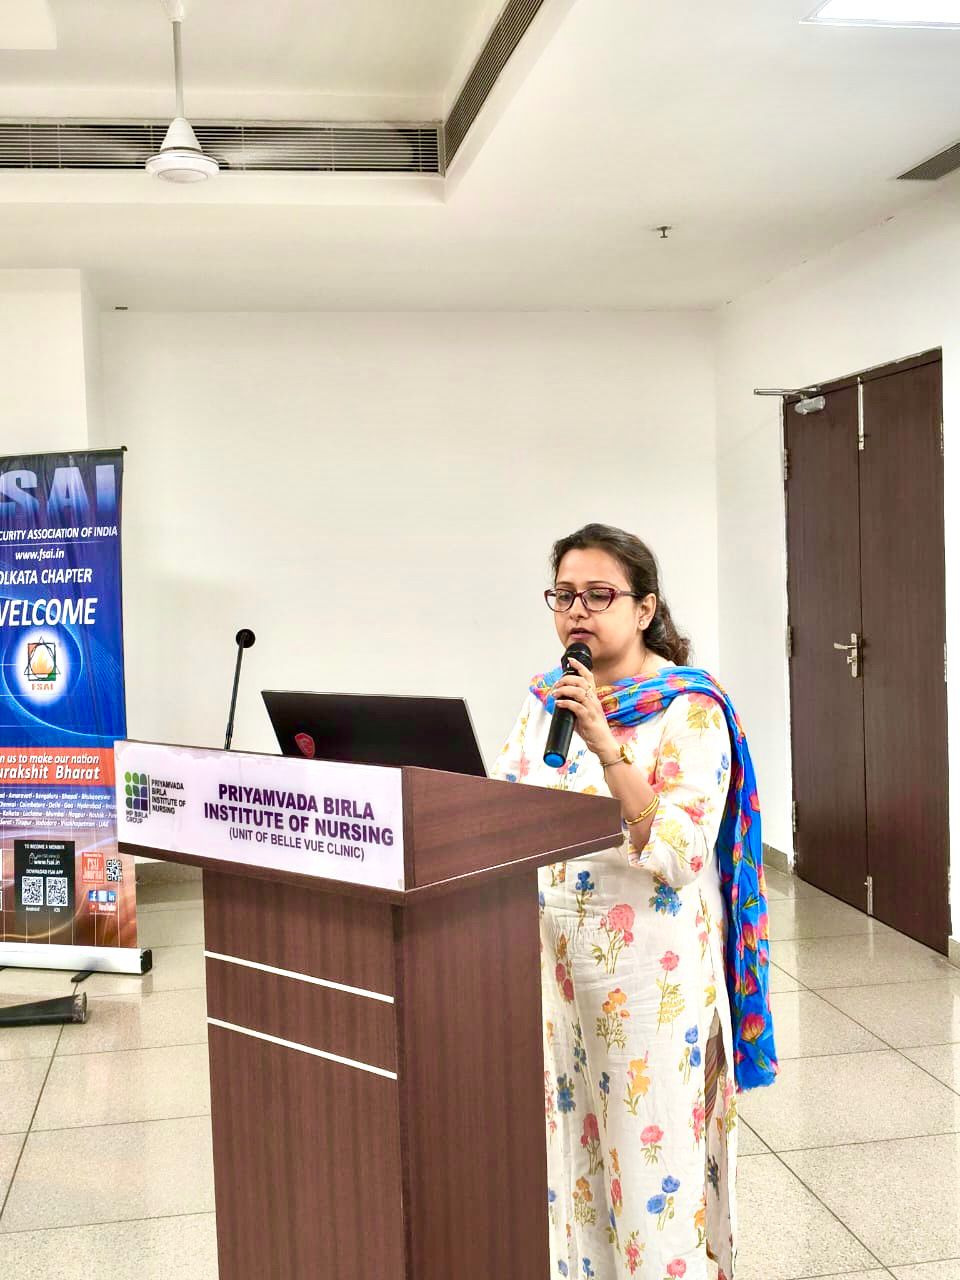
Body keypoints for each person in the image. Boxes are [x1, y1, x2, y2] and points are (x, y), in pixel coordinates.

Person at [492, 523, 776, 1280]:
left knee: (654, 1170)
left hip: (653, 982)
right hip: (558, 974)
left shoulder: (689, 709)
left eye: (598, 595)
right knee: (573, 1166)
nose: (576, 612)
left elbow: (680, 853)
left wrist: (604, 740)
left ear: (645, 608)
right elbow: (505, 809)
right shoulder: (544, 701)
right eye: (564, 596)